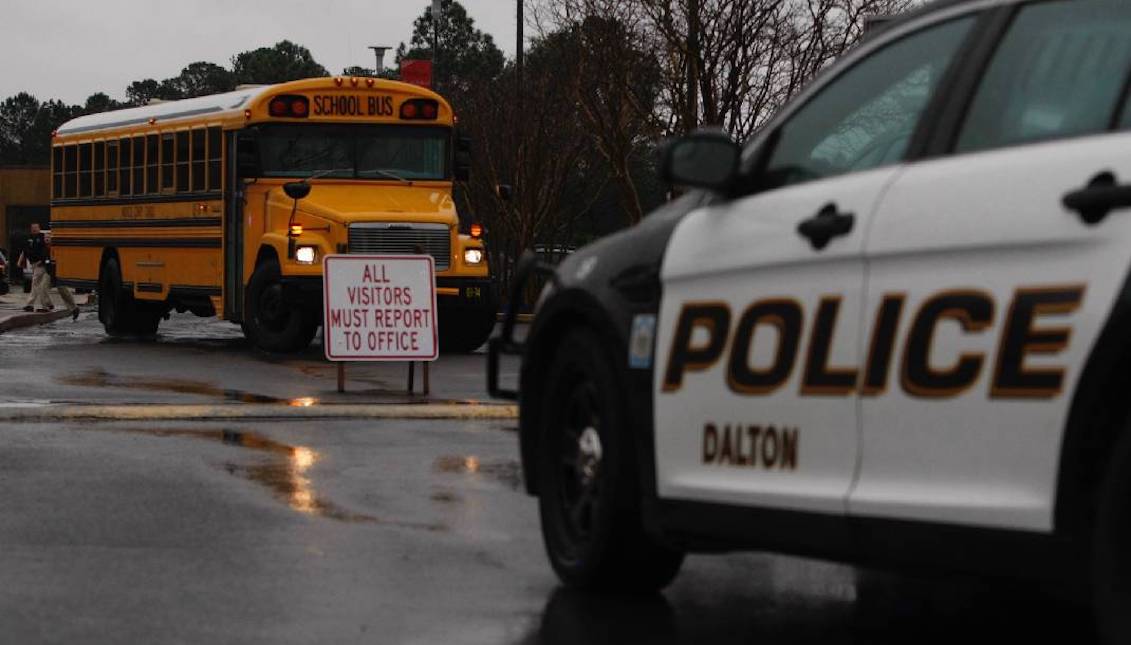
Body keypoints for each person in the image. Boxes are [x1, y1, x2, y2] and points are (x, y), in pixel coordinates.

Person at [17, 223, 78, 320]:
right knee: (42, 287)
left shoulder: (56, 247)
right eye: (45, 237)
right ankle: (45, 306)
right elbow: (38, 256)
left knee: (62, 289)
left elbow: (60, 259)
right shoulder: (44, 248)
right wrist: (40, 262)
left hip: (57, 271)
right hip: (48, 271)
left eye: (49, 237)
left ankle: (74, 307)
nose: (46, 239)